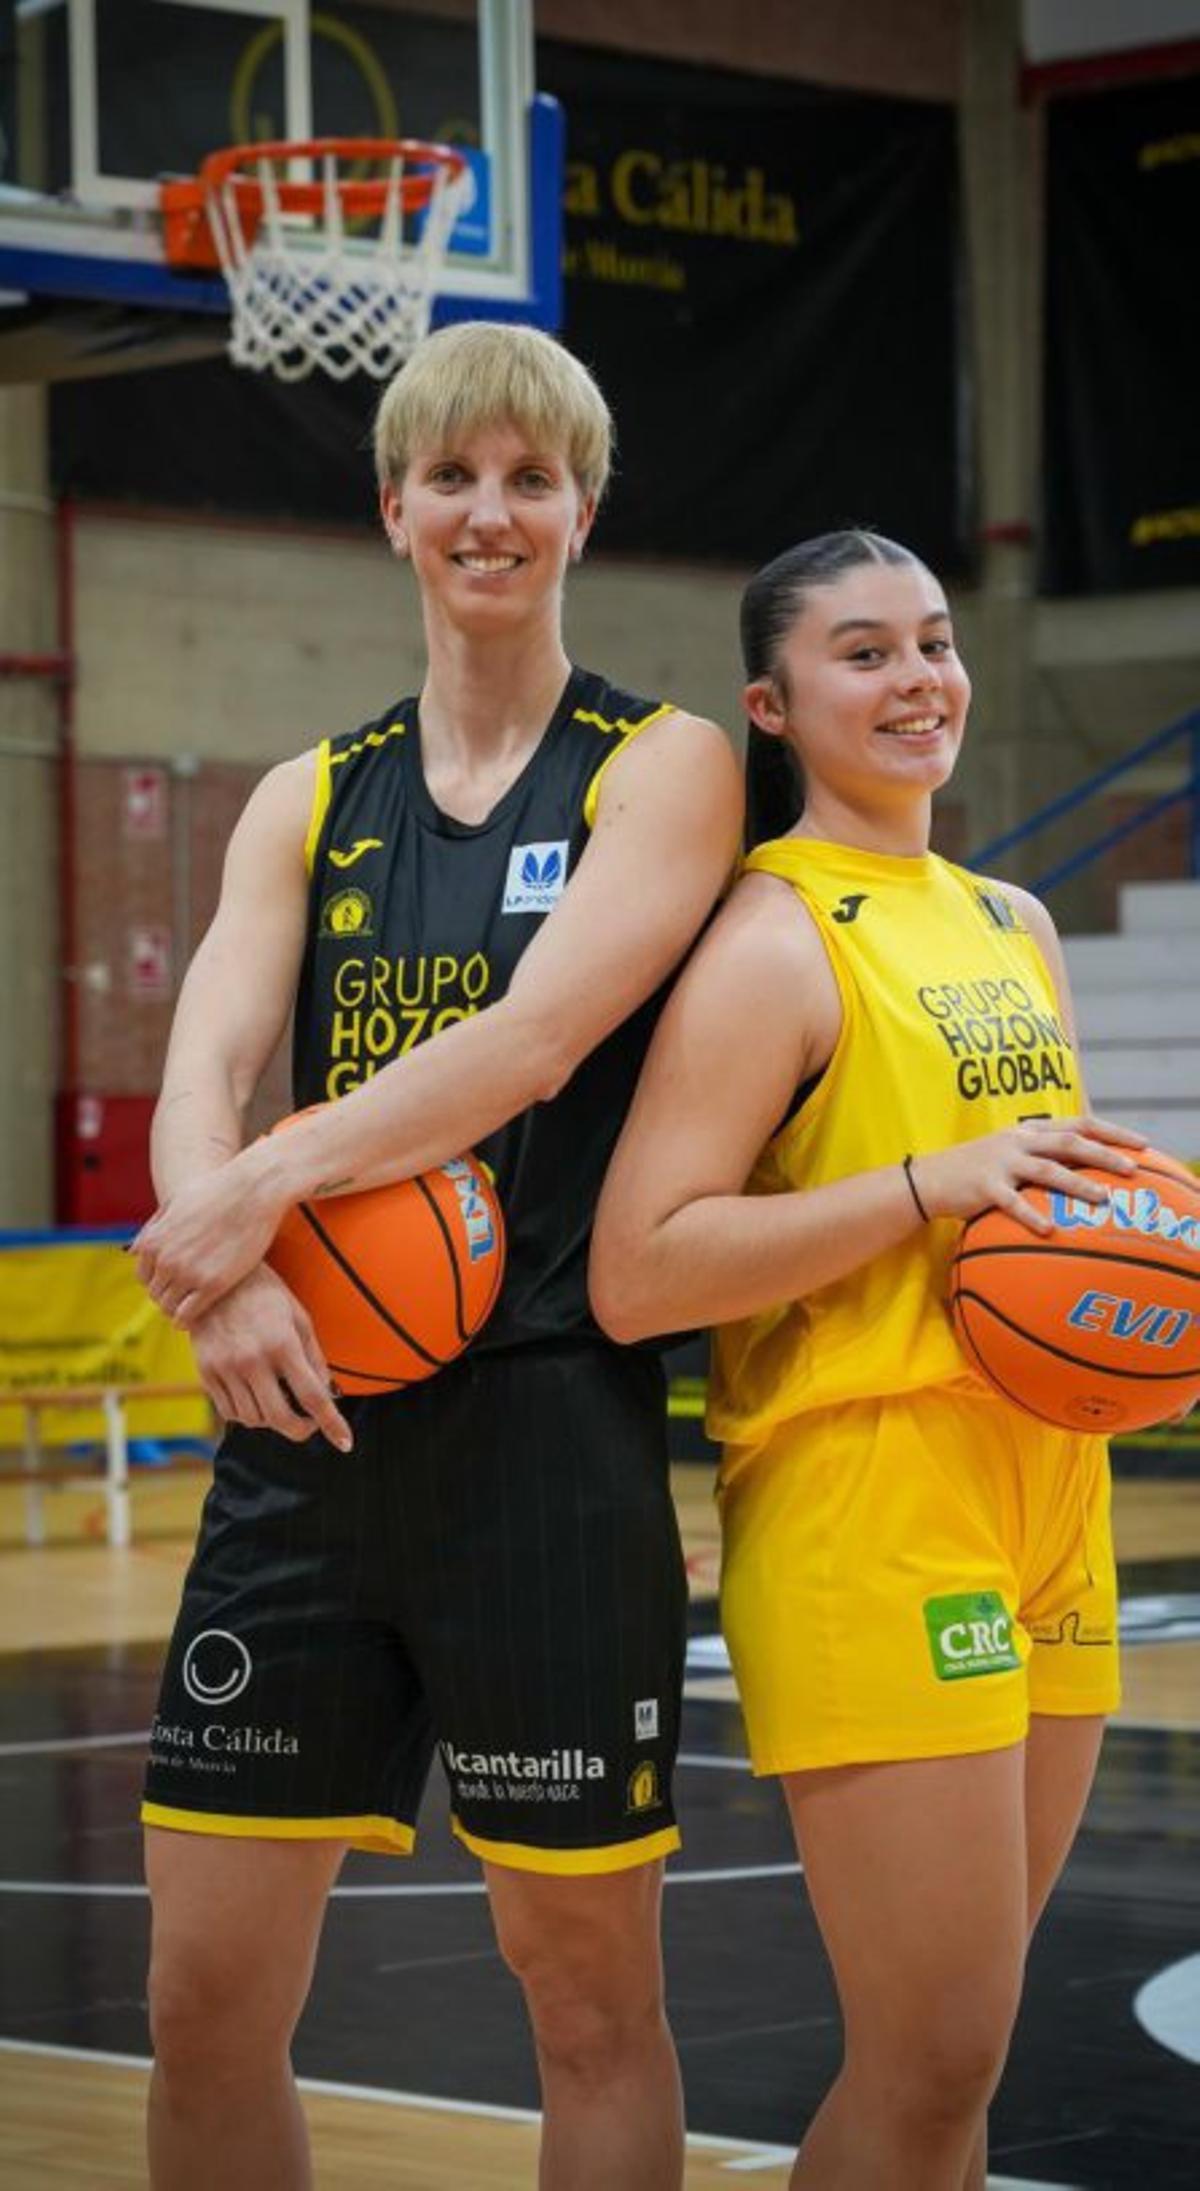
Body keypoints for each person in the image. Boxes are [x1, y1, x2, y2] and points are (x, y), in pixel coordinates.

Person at [133, 319, 742, 2191]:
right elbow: (198, 1071)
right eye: (455, 478)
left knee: (586, 2004)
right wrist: (222, 1264)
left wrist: (256, 1183)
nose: (493, 512)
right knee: (202, 2001)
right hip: (303, 1443)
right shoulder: (305, 798)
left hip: (544, 1448)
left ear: (581, 513)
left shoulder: (668, 765)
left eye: (532, 480)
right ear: (393, 506)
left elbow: (532, 1045)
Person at [589, 529, 1141, 2191]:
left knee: (958, 2071)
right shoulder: (769, 938)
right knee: (930, 2061)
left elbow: (1043, 1216)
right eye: (865, 654)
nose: (920, 681)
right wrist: (919, 1188)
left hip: (1051, 1475)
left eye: (935, 643)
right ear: (773, 704)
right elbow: (638, 1270)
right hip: (870, 1493)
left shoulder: (1015, 920)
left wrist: (1139, 1292)